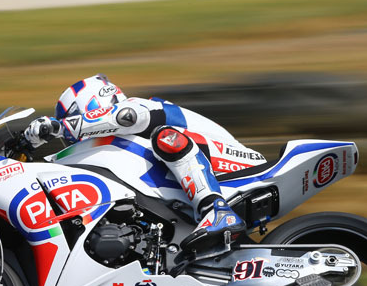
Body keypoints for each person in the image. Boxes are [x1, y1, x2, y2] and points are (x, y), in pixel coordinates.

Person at [23, 74, 267, 255]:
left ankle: (217, 210)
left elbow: (126, 118)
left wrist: (58, 127)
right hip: (188, 181)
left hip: (233, 165)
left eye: (72, 119)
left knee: (165, 137)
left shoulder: (139, 107)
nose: (69, 137)